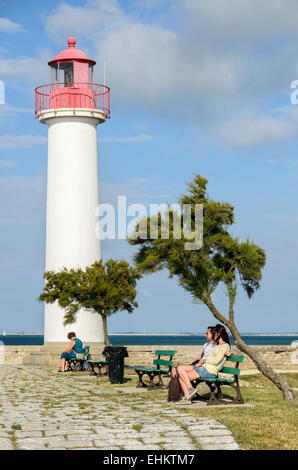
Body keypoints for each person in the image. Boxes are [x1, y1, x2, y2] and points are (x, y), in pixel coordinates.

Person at [175, 324, 231, 403]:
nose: (213, 335)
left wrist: (203, 361)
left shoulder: (225, 346)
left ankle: (188, 395)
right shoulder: (218, 345)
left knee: (182, 375)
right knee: (180, 370)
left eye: (214, 333)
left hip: (210, 371)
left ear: (218, 334)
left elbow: (216, 361)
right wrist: (201, 362)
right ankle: (189, 394)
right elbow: (210, 356)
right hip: (204, 368)